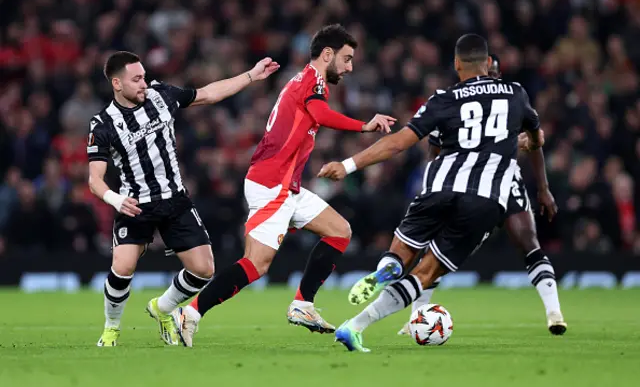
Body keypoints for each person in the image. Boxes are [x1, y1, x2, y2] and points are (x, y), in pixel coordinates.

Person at [318, 34, 544, 352]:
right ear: (488, 62)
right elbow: (536, 135)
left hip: (438, 189)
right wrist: (527, 145)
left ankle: (389, 264)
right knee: (424, 274)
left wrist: (348, 165)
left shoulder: (443, 99)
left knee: (404, 254)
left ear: (456, 64)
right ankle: (355, 326)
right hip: (483, 199)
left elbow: (398, 142)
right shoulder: (515, 94)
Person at [175, 24, 396, 347]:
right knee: (256, 264)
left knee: (339, 230)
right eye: (346, 59)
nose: (349, 67)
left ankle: (303, 304)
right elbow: (320, 114)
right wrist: (365, 125)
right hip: (272, 183)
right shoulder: (312, 80)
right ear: (327, 54)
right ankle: (190, 314)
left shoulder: (305, 79)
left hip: (285, 184)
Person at [88, 51, 279, 347]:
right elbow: (94, 180)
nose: (144, 83)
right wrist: (114, 199)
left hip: (174, 200)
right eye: (136, 79)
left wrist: (251, 75)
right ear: (116, 83)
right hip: (134, 204)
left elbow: (208, 94)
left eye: (144, 76)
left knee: (204, 269)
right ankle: (111, 328)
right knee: (123, 267)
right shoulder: (103, 124)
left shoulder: (162, 95)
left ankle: (162, 308)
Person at [397, 54, 566, 337]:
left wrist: (543, 188)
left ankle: (554, 312)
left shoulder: (511, 100)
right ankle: (416, 315)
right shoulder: (455, 104)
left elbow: (537, 141)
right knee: (438, 251)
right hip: (466, 187)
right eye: (489, 73)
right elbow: (434, 155)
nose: (492, 79)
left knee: (528, 241)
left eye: (496, 74)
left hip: (504, 180)